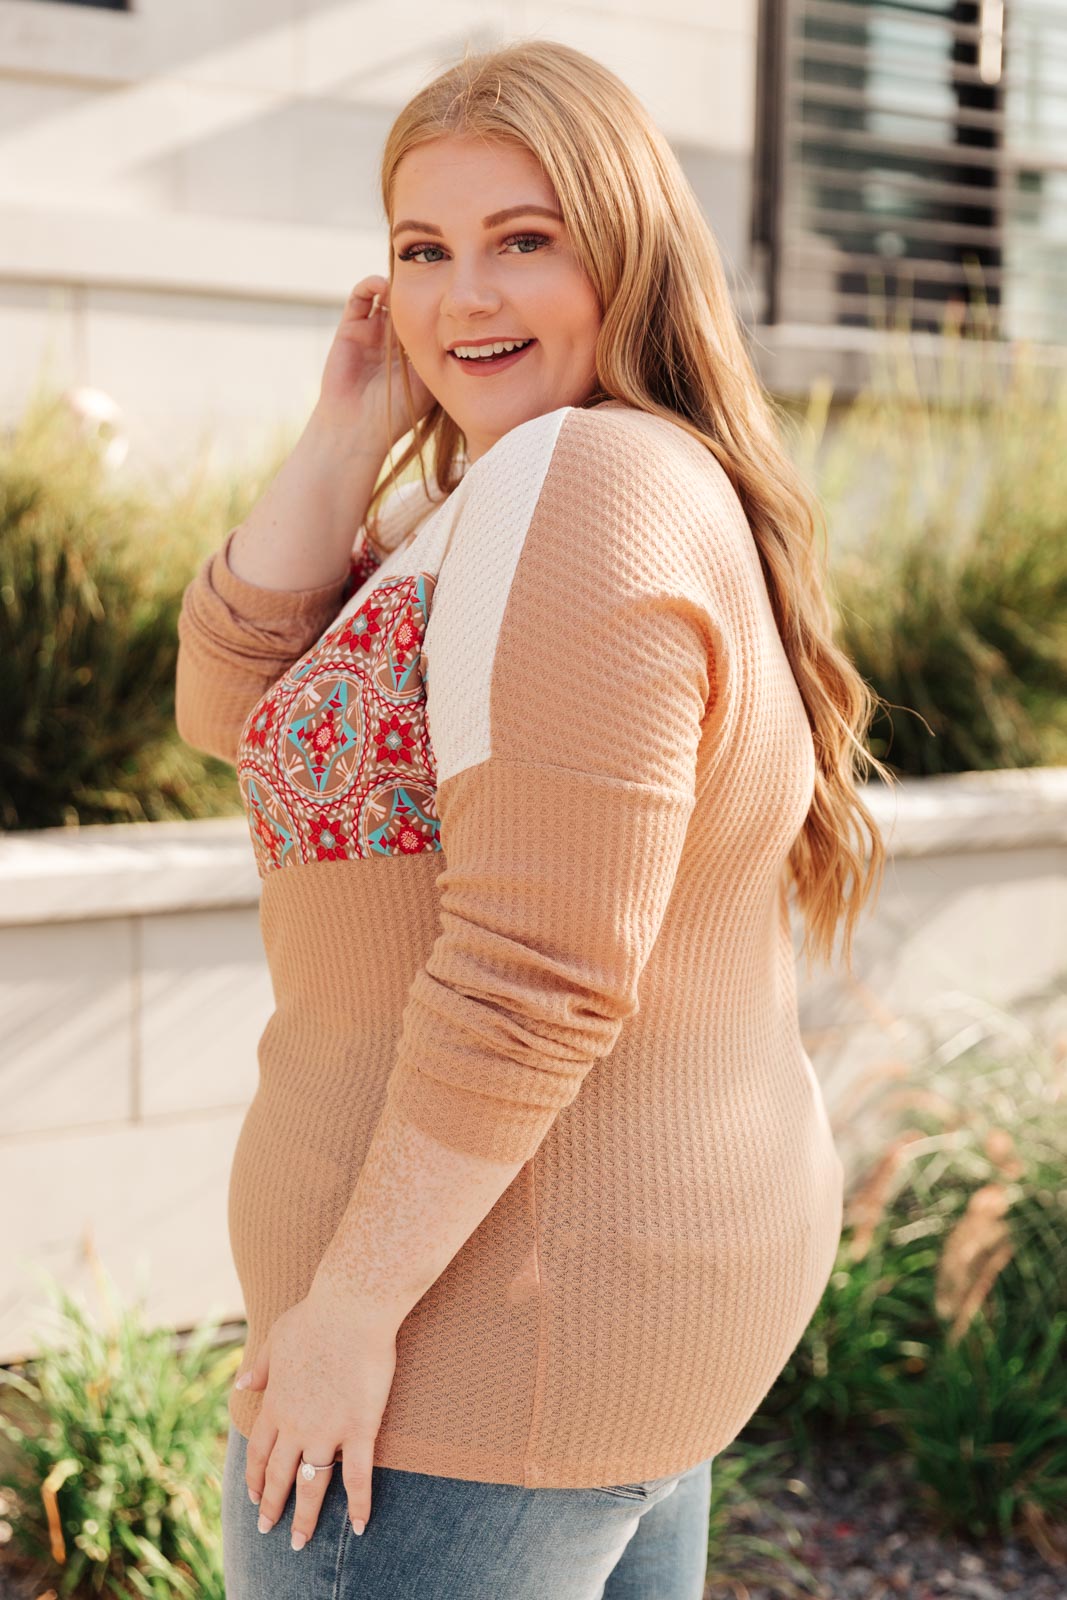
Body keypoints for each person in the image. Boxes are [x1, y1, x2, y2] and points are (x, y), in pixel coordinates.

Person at [175, 36, 893, 1600]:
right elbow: (231, 708)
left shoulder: (581, 487)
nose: (463, 299)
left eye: (523, 241)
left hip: (467, 1360)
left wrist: (347, 1313)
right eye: (422, 251)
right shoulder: (511, 492)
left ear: (625, 254)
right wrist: (348, 429)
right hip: (581, 1318)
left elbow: (538, 970)